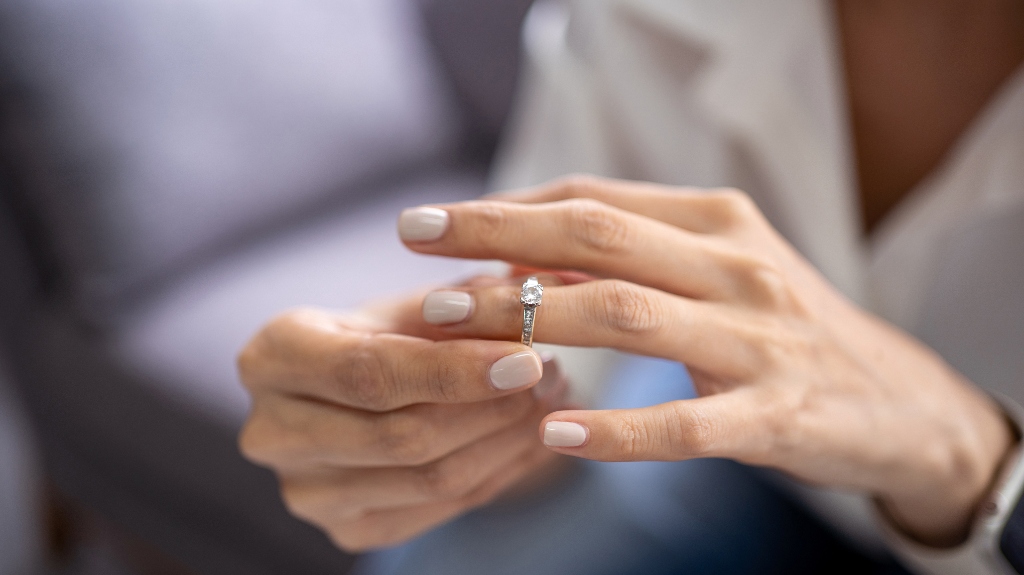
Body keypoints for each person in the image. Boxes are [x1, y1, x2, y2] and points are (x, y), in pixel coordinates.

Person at [236, 0, 1024, 573]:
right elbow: (560, 353)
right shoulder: (641, 18)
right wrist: (433, 407)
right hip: (757, 488)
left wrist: (967, 458)